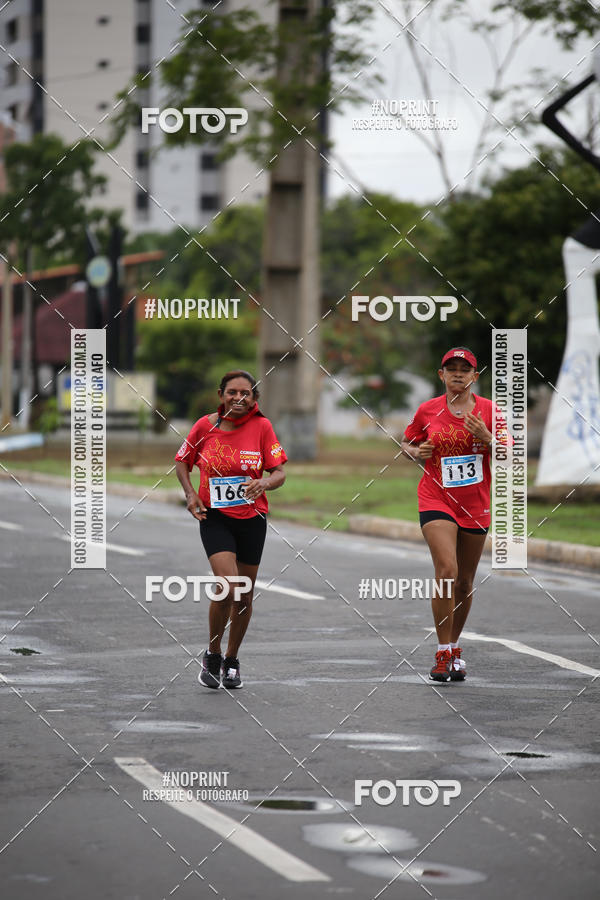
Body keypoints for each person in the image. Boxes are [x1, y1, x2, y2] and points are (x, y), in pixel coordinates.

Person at [175, 370, 287, 690]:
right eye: (232, 392)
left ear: (255, 398)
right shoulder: (204, 426)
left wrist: (264, 482)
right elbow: (182, 461)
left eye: (246, 393)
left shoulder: (262, 427)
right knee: (226, 584)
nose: (239, 398)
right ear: (221, 395)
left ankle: (232, 659)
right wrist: (190, 493)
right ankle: (212, 653)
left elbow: (279, 472)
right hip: (215, 517)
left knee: (244, 595)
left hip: (252, 519)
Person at [400, 348, 506, 682]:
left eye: (465, 369)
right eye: (451, 369)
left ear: (475, 376)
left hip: (475, 504)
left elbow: (510, 454)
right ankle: (442, 652)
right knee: (447, 569)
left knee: (464, 582)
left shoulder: (490, 411)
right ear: (441, 375)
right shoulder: (427, 410)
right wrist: (418, 451)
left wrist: (487, 438)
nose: (458, 374)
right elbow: (406, 443)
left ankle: (456, 646)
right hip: (436, 498)